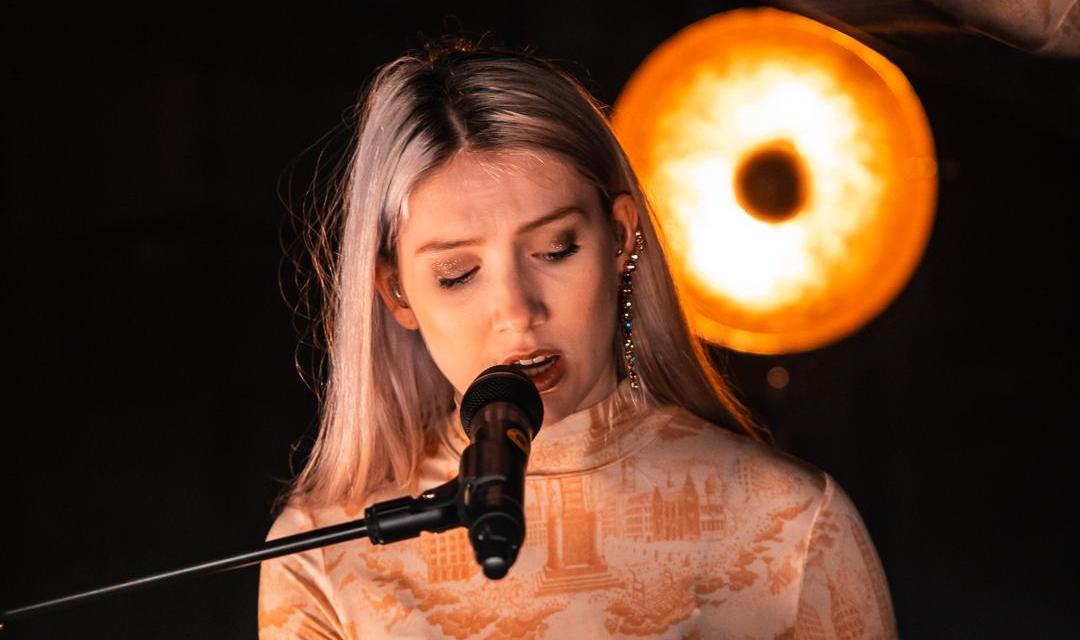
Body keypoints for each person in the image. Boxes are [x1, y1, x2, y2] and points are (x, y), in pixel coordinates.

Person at [259, 40, 898, 639]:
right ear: (398, 294)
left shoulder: (789, 521)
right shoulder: (323, 552)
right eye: (458, 274)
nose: (516, 311)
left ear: (620, 237)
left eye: (554, 250)